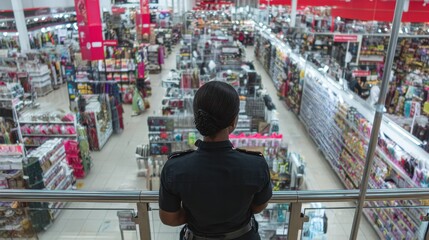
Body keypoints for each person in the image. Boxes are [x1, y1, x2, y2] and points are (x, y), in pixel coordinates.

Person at [159, 81, 273, 240]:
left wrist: (197, 216)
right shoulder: (256, 165)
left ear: (198, 118)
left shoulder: (175, 168)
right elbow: (258, 206)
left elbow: (169, 218)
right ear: (234, 121)